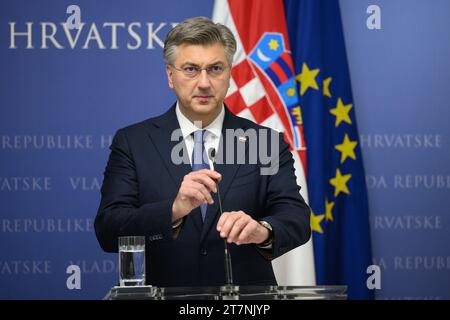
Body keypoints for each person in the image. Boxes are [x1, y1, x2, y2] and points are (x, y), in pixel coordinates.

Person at [95, 17, 311, 287]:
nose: (205, 82)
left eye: (215, 68)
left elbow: (297, 218)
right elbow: (108, 229)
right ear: (170, 76)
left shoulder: (264, 141)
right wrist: (174, 210)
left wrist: (262, 231)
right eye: (191, 69)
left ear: (230, 74)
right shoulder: (133, 142)